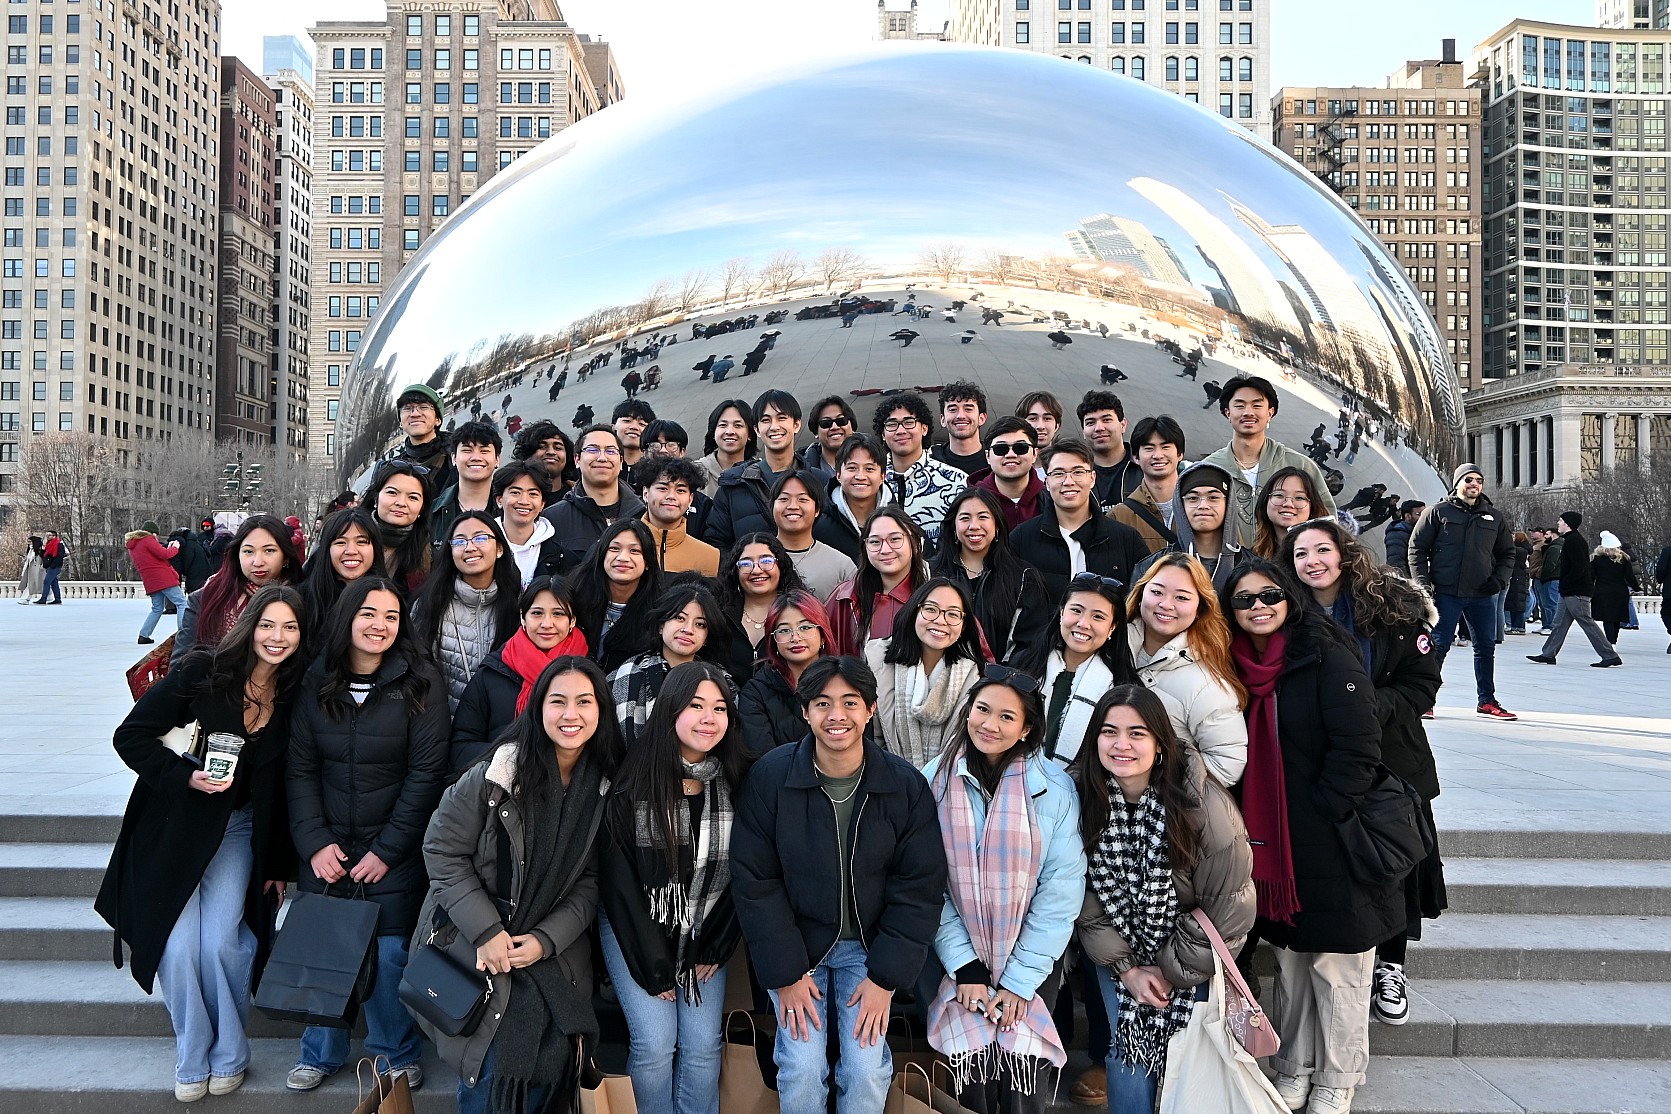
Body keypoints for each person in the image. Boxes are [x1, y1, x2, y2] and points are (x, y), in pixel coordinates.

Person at [97, 586, 306, 1102]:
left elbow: (284, 789)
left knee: (221, 940)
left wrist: (278, 862)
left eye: (290, 628)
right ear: (250, 626)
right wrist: (182, 777)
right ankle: (193, 1053)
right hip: (174, 825)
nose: (277, 638)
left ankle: (231, 1052)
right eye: (268, 625)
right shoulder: (201, 672)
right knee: (176, 940)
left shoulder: (296, 696)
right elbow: (132, 735)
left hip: (237, 830)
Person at [1220, 561, 1405, 1114]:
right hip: (1275, 842)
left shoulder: (1325, 654)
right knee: (1293, 958)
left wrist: (1328, 808)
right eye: (1244, 599)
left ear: (1290, 599)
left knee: (1339, 961)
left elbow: (1359, 741)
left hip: (1332, 835)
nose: (1258, 606)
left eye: (1269, 595)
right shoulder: (1237, 665)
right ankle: (1295, 1064)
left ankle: (1339, 1074)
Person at [731, 656, 949, 1114]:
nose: (837, 716)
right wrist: (787, 974)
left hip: (869, 952)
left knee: (865, 1067)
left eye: (851, 703)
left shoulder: (903, 786)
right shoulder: (771, 778)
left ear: (870, 710)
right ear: (805, 711)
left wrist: (885, 979)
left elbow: (919, 888)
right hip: (799, 951)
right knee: (804, 1067)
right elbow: (756, 881)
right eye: (823, 703)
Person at [416, 656, 620, 1114]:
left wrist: (546, 941)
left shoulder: (604, 787)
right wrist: (487, 934)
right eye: (558, 701)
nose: (571, 715)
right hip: (476, 947)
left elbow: (590, 883)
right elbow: (441, 850)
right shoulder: (498, 773)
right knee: (491, 1076)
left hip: (551, 956)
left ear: (601, 711)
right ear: (537, 707)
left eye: (584, 702)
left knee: (551, 1073)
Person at [285, 577, 449, 1092]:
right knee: (322, 940)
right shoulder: (317, 681)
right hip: (329, 842)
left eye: (391, 616)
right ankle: (320, 1052)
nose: (380, 626)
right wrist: (313, 842)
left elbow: (427, 775)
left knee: (393, 949)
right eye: (369, 614)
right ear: (347, 619)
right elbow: (300, 770)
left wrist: (387, 850)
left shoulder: (420, 682)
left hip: (393, 849)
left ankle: (394, 1052)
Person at [1282, 519, 1446, 1027]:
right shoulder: (1285, 612)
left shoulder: (1391, 604)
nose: (1312, 561)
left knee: (1394, 865)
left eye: (1322, 549)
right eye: (1300, 553)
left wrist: (1370, 706)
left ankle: (1392, 966)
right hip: (1319, 762)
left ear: (1344, 552)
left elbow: (1423, 683)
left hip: (1393, 761)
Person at [1071, 685, 1254, 1114]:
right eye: (1109, 731)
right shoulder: (1081, 799)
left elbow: (1231, 906)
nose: (1122, 745)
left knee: (1186, 1061)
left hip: (1194, 957)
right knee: (1127, 1053)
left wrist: (1171, 969)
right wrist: (1128, 969)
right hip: (1120, 954)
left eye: (1137, 733)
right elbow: (1081, 895)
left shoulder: (1201, 805)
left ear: (1159, 744)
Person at [923, 667, 1086, 1114]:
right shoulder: (932, 781)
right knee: (966, 1081)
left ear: (1027, 728)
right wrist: (966, 965)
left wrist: (1018, 981)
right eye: (981, 709)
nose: (989, 725)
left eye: (1006, 717)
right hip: (953, 957)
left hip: (1032, 960)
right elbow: (925, 883)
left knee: (1022, 1081)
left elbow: (1060, 893)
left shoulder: (1054, 789)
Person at [600, 662, 749, 1114]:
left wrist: (716, 946)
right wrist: (654, 962)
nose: (709, 718)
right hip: (637, 928)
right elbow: (618, 884)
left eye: (719, 708)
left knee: (703, 1045)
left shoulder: (741, 779)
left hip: (707, 931)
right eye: (696, 706)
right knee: (655, 1043)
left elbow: (748, 872)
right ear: (670, 713)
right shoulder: (631, 783)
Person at [1125, 554, 1249, 788]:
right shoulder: (1109, 647)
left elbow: (1227, 764)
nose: (1166, 604)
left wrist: (1157, 785)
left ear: (1200, 608)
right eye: (1157, 592)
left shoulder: (1206, 683)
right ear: (1141, 593)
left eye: (1181, 597)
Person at [1409, 464, 1521, 717]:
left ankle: (1487, 701)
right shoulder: (1437, 512)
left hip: (1482, 594)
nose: (1475, 484)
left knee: (1485, 647)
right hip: (1446, 593)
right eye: (1469, 479)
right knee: (1438, 646)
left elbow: (1507, 553)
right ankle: (1425, 700)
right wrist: (1423, 585)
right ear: (1458, 483)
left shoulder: (1493, 517)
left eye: (1479, 480)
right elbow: (1417, 549)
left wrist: (1499, 580)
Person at [451, 577, 588, 780]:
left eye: (558, 614)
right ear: (523, 618)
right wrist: (514, 761)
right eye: (537, 613)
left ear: (573, 620)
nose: (546, 623)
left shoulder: (589, 675)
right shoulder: (493, 673)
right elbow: (461, 746)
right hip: (501, 789)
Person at [1008, 574, 1133, 764]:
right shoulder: (1023, 666)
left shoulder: (1122, 688)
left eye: (1098, 617)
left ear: (1112, 628)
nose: (1083, 623)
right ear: (1061, 613)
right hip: (1012, 780)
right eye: (1076, 610)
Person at [1010, 438, 1149, 604]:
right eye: (1059, 473)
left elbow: (1142, 601)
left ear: (1092, 478)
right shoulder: (1022, 539)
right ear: (1046, 482)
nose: (1069, 482)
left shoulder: (1127, 539)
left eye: (1078, 472)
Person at [864, 579, 985, 768]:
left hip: (949, 782)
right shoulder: (877, 660)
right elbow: (872, 736)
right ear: (915, 612)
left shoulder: (972, 675)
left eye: (952, 614)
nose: (940, 620)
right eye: (930, 609)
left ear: (963, 625)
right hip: (888, 775)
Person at [1202, 376, 1336, 545]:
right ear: (1228, 412)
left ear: (1270, 413)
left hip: (1286, 567)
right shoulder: (1209, 469)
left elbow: (1327, 523)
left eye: (1257, 405)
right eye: (1239, 405)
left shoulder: (1299, 465)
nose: (1248, 412)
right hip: (1232, 568)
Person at [930, 488, 1052, 663]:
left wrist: (997, 681)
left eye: (983, 517)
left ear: (997, 526)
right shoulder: (930, 572)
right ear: (954, 527)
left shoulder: (1024, 577)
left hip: (999, 682)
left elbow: (1029, 645)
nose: (974, 526)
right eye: (965, 518)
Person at [416, 513, 521, 713]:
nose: (470, 547)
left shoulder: (520, 603)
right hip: (444, 725)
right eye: (459, 541)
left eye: (480, 538)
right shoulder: (430, 604)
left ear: (499, 548)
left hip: (504, 726)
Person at [173, 516, 305, 664]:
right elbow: (180, 665)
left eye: (269, 550)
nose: (258, 562)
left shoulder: (305, 599)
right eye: (248, 551)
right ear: (237, 555)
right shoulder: (207, 598)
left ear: (285, 557)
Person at [608, 584, 729, 747]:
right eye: (679, 618)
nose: (688, 629)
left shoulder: (721, 682)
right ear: (661, 625)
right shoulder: (626, 675)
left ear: (707, 637)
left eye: (700, 624)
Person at [738, 590, 835, 756]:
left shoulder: (845, 683)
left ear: (823, 636)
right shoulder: (756, 693)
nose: (795, 637)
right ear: (773, 641)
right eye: (784, 630)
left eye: (805, 627)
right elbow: (761, 759)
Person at [706, 390, 804, 550]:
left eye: (782, 418)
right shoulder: (733, 485)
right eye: (766, 420)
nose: (774, 427)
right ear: (757, 430)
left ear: (796, 424)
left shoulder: (819, 479)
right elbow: (716, 544)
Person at [828, 506, 929, 656]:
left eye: (895, 539)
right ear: (865, 547)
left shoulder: (936, 598)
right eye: (875, 542)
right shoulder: (844, 597)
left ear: (915, 543)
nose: (885, 549)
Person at [570, 518, 665, 673]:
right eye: (614, 548)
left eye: (634, 551)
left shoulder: (659, 612)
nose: (623, 558)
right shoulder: (573, 598)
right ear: (602, 554)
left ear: (648, 562)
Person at [1526, 512, 1621, 667]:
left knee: (1586, 622)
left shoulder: (1574, 541)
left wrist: (1569, 584)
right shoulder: (1570, 540)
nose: (1558, 523)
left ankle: (1609, 655)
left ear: (1568, 524)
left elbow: (1580, 567)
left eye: (1561, 521)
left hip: (1576, 591)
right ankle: (1548, 654)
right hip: (1569, 590)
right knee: (1559, 624)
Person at [547, 427, 647, 571]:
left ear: (621, 461)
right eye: (593, 450)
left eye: (610, 451)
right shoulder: (553, 518)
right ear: (577, 459)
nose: (602, 458)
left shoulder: (644, 514)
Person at [874, 393, 967, 546]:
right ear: (883, 434)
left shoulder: (956, 481)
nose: (900, 431)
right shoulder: (871, 481)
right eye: (891, 424)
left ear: (924, 429)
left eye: (909, 422)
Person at [718, 532, 809, 677]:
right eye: (746, 564)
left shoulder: (802, 612)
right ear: (735, 571)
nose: (756, 570)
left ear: (780, 565)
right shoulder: (720, 615)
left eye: (766, 561)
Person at [770, 469, 857, 601]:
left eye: (802, 499)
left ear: (817, 510)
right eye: (784, 499)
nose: (793, 506)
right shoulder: (755, 560)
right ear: (772, 507)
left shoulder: (842, 566)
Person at [298, 508, 388, 633]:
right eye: (340, 542)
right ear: (326, 550)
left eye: (361, 542)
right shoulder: (301, 600)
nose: (351, 551)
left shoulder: (390, 598)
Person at [814, 433, 898, 562]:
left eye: (869, 469)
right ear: (838, 475)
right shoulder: (818, 527)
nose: (860, 476)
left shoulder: (900, 524)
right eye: (852, 468)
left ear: (882, 476)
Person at [357, 459, 434, 594]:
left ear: (421, 509)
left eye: (413, 497)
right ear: (376, 499)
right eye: (392, 493)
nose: (401, 503)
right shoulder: (345, 542)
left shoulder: (432, 560)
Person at [1111, 415, 1184, 554]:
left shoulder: (1204, 507)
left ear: (1180, 453)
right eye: (1149, 448)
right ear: (1136, 457)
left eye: (1166, 447)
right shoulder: (1119, 516)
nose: (1158, 455)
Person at [639, 456, 721, 577]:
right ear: (646, 493)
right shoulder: (623, 547)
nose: (671, 496)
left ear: (690, 499)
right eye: (663, 488)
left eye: (680, 490)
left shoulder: (709, 556)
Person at [428, 421, 505, 546]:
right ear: (454, 458)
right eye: (467, 450)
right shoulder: (432, 512)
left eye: (484, 451)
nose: (476, 457)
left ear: (497, 459)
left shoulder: (510, 508)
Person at [493, 462, 567, 587]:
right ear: (499, 499)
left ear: (542, 504)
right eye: (515, 492)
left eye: (533, 494)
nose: (524, 501)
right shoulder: (481, 547)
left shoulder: (562, 558)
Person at [970, 418, 1046, 530]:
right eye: (1000, 449)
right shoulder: (968, 502)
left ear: (1035, 454)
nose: (1011, 455)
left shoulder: (1053, 501)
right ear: (987, 456)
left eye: (1020, 448)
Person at [1078, 391, 1140, 516]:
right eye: (1090, 422)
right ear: (1084, 431)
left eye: (1106, 420)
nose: (1099, 428)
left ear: (1123, 425)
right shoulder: (1075, 473)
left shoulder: (1144, 466)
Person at [390, 384, 457, 496]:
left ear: (438, 419)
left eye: (424, 407)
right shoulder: (393, 467)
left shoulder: (458, 457)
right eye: (407, 408)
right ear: (400, 422)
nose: (415, 414)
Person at [1251, 466, 1331, 559]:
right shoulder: (1251, 559)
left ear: (1312, 507)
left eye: (1299, 498)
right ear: (1265, 502)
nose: (1288, 504)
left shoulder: (1330, 556)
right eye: (1279, 495)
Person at [127, 521, 186, 646]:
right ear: (153, 533)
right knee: (181, 603)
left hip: (151, 581)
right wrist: (175, 547)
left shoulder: (134, 545)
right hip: (164, 578)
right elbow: (165, 554)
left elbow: (154, 556)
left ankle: (144, 635)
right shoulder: (148, 540)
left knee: (157, 608)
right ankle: (183, 634)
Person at [696, 400, 756, 498]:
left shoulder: (759, 473)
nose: (729, 431)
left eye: (738, 425)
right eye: (723, 425)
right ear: (713, 433)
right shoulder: (694, 472)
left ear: (750, 434)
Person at [1589, 530, 1639, 646]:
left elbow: (1591, 577)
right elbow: (1630, 577)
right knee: (1616, 617)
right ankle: (1613, 641)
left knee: (1607, 618)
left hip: (1602, 591)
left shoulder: (1596, 560)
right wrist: (1636, 588)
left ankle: (1610, 641)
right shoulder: (1623, 559)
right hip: (1619, 591)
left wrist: (1588, 590)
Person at [931, 381, 989, 475]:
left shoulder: (997, 460)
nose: (960, 416)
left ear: (981, 418)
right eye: (953, 410)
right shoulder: (930, 462)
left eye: (968, 409)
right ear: (942, 420)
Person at [512, 419, 575, 498]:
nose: (551, 452)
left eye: (558, 448)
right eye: (542, 447)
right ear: (526, 454)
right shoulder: (514, 501)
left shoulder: (581, 497)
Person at [801, 396, 856, 477]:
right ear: (816, 432)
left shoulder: (876, 459)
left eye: (841, 421)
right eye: (826, 423)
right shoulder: (803, 471)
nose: (835, 427)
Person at [170, 526, 215, 595]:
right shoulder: (197, 543)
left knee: (195, 596)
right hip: (205, 572)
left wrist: (184, 571)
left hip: (194, 575)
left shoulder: (188, 545)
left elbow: (187, 561)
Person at [614, 398, 657, 472]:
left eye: (642, 424)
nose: (634, 427)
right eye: (627, 421)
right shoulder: (602, 466)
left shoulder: (656, 471)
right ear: (613, 426)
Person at [1384, 500, 1424, 578]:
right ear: (1408, 516)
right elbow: (1396, 566)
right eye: (1419, 514)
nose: (1423, 518)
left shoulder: (1417, 533)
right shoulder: (1396, 535)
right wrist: (1413, 586)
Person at [1505, 531, 1533, 636]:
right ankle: (1516, 625)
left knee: (1517, 603)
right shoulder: (1525, 550)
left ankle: (1518, 626)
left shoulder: (1520, 551)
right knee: (1516, 602)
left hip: (1518, 578)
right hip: (1520, 577)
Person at [37, 529, 65, 603]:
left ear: (54, 536)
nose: (47, 537)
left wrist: (53, 565)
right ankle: (57, 599)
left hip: (54, 567)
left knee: (46, 582)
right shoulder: (48, 545)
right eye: (47, 535)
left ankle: (43, 599)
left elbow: (60, 556)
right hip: (49, 567)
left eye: (49, 535)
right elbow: (42, 555)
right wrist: (43, 548)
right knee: (54, 583)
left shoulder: (59, 544)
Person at [17, 534, 44, 604]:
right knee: (33, 584)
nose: (29, 543)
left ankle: (27, 599)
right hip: (30, 569)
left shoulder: (39, 550)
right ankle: (27, 599)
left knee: (34, 584)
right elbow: (29, 559)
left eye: (30, 542)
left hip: (37, 569)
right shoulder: (30, 550)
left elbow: (39, 560)